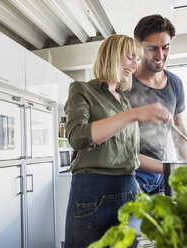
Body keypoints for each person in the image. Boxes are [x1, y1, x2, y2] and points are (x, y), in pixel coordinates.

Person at [64, 34, 172, 248]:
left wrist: (172, 169)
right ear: (112, 56)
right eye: (130, 57)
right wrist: (133, 115)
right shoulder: (82, 90)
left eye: (138, 59)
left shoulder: (124, 103)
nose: (135, 65)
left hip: (128, 191)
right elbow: (77, 136)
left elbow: (130, 156)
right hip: (94, 194)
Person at [124, 14, 187, 195]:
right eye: (152, 48)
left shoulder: (175, 83)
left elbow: (179, 129)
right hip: (131, 177)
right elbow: (115, 146)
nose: (160, 55)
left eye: (165, 47)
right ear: (138, 47)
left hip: (162, 176)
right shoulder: (124, 82)